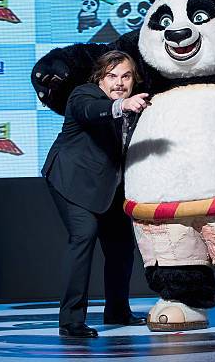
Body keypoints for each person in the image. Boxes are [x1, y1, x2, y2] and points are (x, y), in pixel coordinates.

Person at [42, 50, 150, 338]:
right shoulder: (83, 95)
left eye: (126, 76)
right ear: (99, 78)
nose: (119, 82)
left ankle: (117, 310)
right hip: (70, 179)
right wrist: (122, 105)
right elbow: (91, 113)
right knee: (84, 235)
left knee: (122, 245)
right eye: (112, 76)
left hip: (107, 185)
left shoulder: (137, 105)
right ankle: (71, 321)